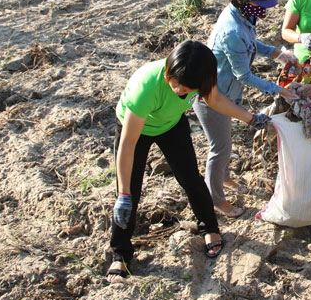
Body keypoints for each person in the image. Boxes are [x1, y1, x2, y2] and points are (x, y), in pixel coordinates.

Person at [106, 40, 271, 283]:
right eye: (177, 85)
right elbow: (127, 144)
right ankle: (120, 252)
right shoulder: (147, 85)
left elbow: (215, 100)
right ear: (168, 70)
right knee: (130, 192)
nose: (181, 91)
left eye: (188, 89)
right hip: (137, 130)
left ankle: (210, 227)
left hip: (171, 124)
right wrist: (122, 193)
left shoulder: (199, 76)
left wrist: (251, 119)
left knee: (191, 179)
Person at [194, 0, 298, 218]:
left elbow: (251, 43)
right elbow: (244, 75)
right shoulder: (232, 30)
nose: (263, 9)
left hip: (228, 93)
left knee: (224, 143)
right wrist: (279, 91)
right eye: (259, 3)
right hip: (214, 98)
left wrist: (276, 53)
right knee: (220, 148)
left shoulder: (242, 18)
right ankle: (216, 200)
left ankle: (224, 178)